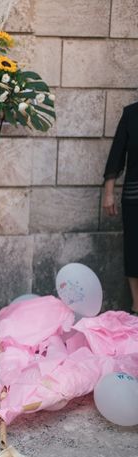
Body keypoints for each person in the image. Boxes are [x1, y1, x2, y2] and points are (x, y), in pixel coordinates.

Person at [103, 101, 138, 315]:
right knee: (134, 250)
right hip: (135, 196)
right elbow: (116, 155)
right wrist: (109, 193)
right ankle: (137, 305)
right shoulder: (131, 114)